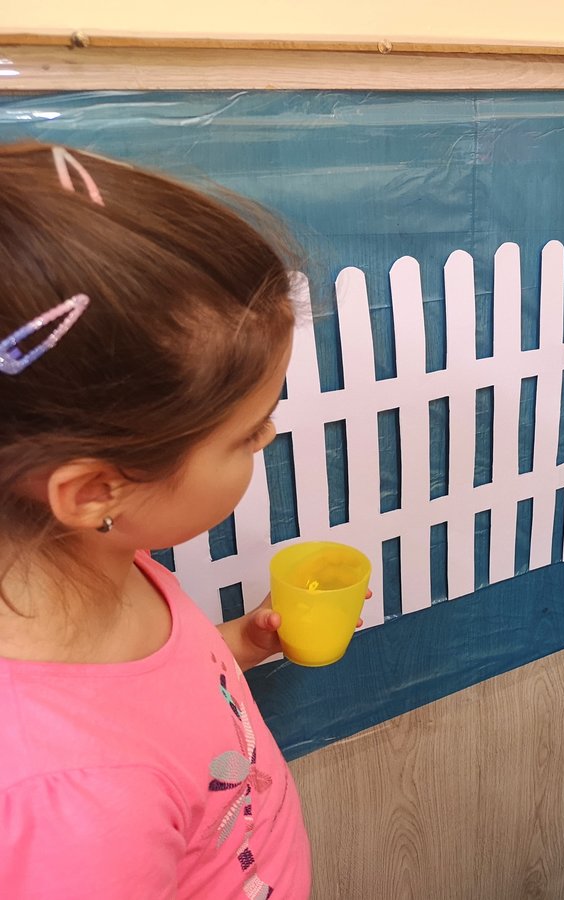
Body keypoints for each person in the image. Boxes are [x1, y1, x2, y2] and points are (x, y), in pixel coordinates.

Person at [0, 142, 319, 898]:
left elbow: (144, 703)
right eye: (248, 432)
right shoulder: (72, 799)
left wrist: (236, 645)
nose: (269, 436)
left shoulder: (90, 562)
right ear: (95, 491)